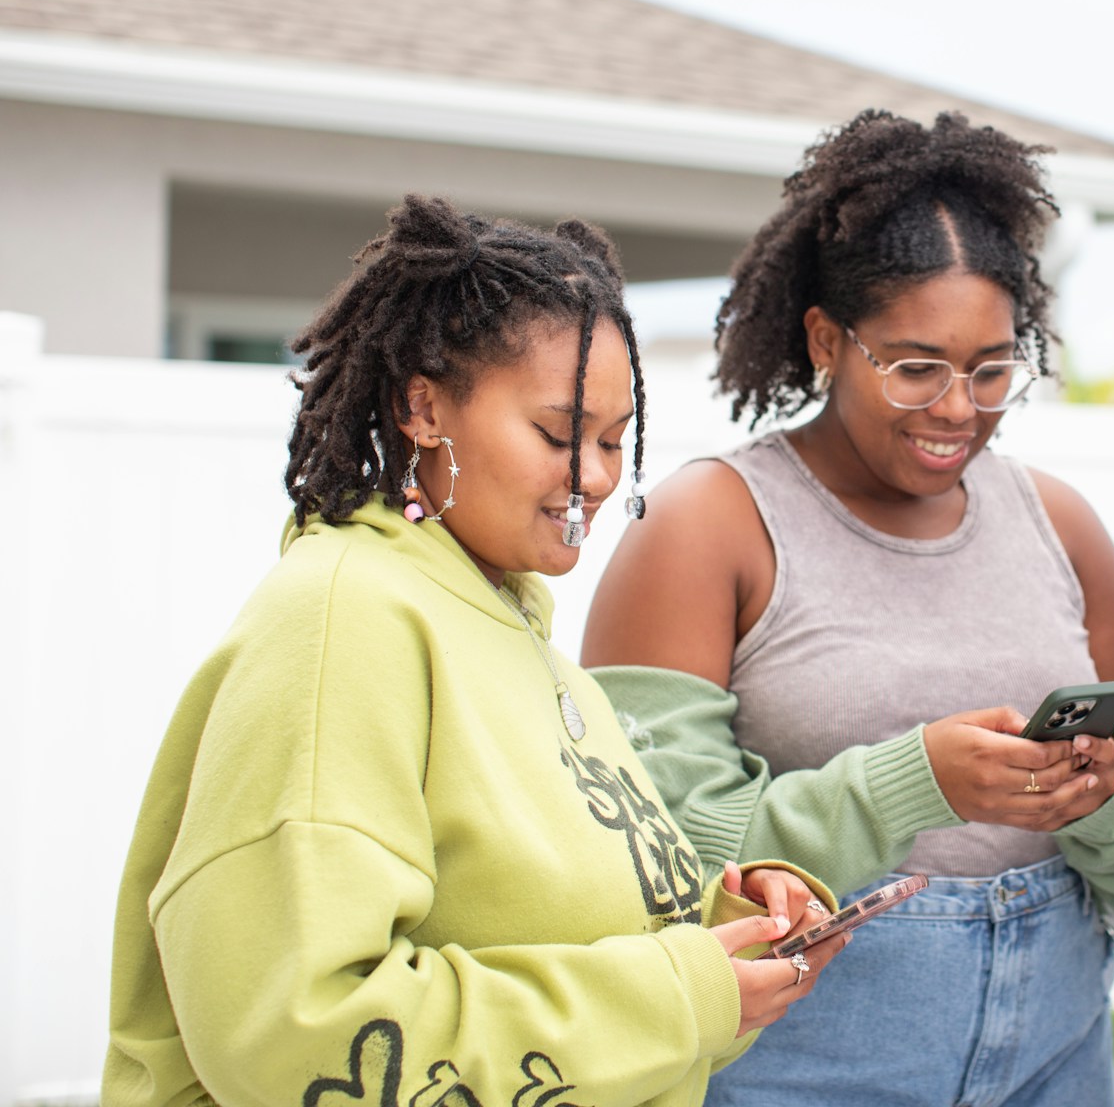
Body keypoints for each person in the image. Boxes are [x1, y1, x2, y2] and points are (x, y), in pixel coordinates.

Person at [103, 196, 848, 1107]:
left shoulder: (525, 641)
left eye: (614, 441)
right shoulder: (345, 620)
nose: (599, 475)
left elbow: (611, 981)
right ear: (422, 406)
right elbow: (299, 1030)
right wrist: (677, 992)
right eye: (558, 433)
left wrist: (732, 928)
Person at [580, 109, 1114, 1107]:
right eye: (916, 367)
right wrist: (917, 783)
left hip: (1057, 1053)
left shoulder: (1064, 528)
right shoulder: (708, 527)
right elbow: (652, 858)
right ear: (826, 337)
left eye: (994, 368)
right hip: (798, 1067)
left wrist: (1108, 790)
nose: (958, 407)